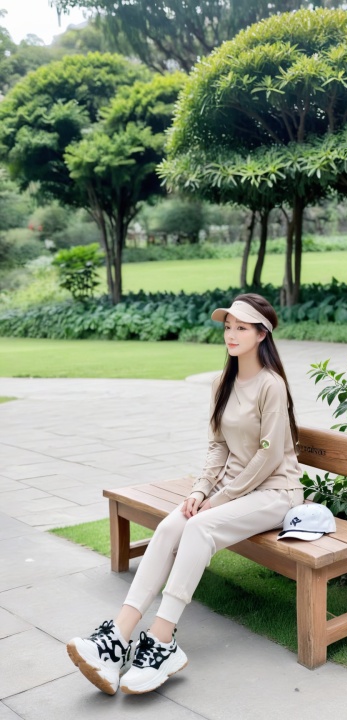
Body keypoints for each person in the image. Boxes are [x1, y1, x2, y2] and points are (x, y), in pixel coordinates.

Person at [67, 293, 304, 696]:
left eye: (241, 327)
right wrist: (198, 491)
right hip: (231, 493)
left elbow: (267, 458)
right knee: (172, 524)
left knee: (199, 530)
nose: (231, 334)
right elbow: (218, 447)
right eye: (228, 326)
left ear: (262, 334)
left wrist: (218, 500)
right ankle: (117, 640)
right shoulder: (222, 382)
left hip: (275, 493)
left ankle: (161, 642)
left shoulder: (271, 386)